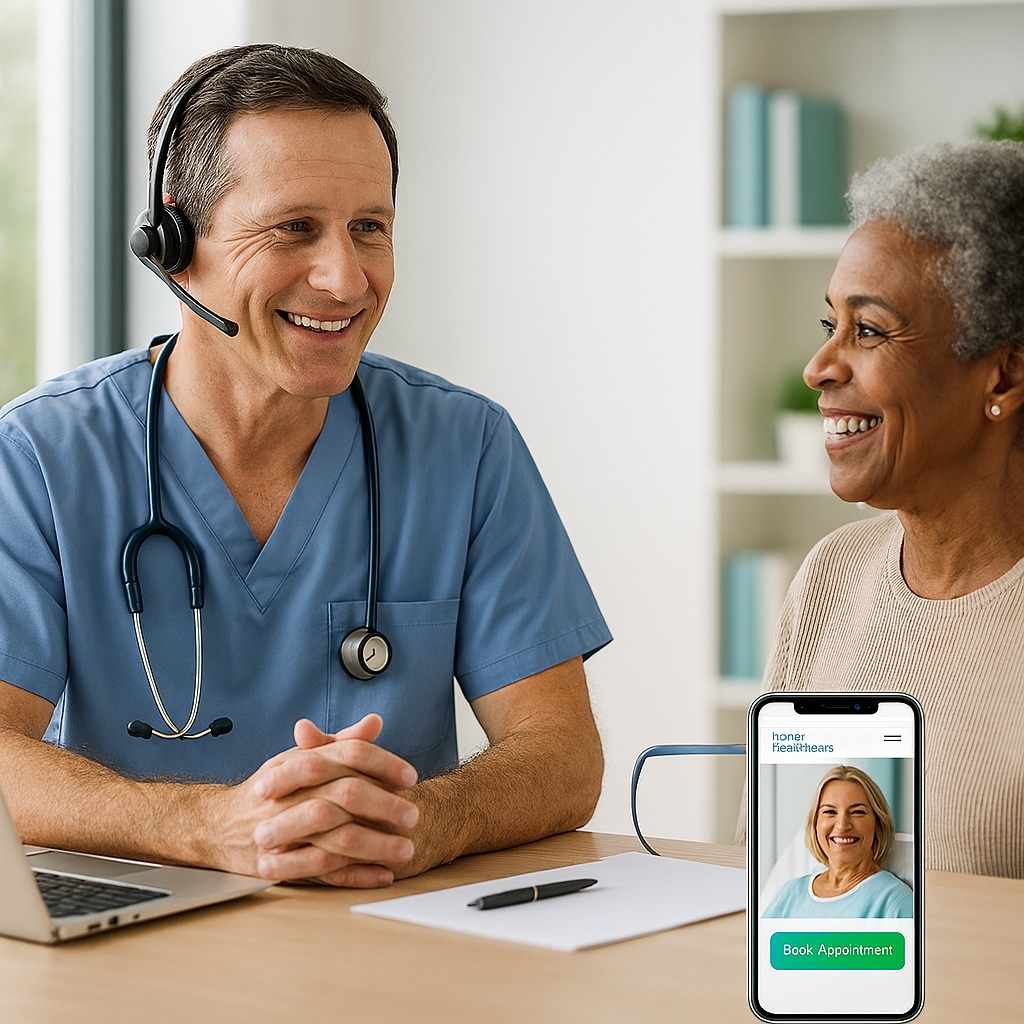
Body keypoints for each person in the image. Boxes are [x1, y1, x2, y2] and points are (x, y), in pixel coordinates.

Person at [0, 44, 611, 888]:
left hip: (388, 931)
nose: (344, 278)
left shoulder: (466, 447)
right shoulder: (39, 457)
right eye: (294, 228)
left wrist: (419, 822)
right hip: (136, 945)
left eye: (370, 228)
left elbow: (565, 756)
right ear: (173, 243)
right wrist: (210, 826)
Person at [764, 139, 1024, 879]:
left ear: (1003, 374)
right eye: (829, 326)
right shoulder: (831, 577)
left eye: (869, 330)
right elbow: (774, 877)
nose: (819, 367)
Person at [762, 766, 913, 919]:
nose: (842, 825)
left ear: (878, 826)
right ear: (815, 824)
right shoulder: (790, 893)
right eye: (829, 812)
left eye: (857, 812)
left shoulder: (895, 900)